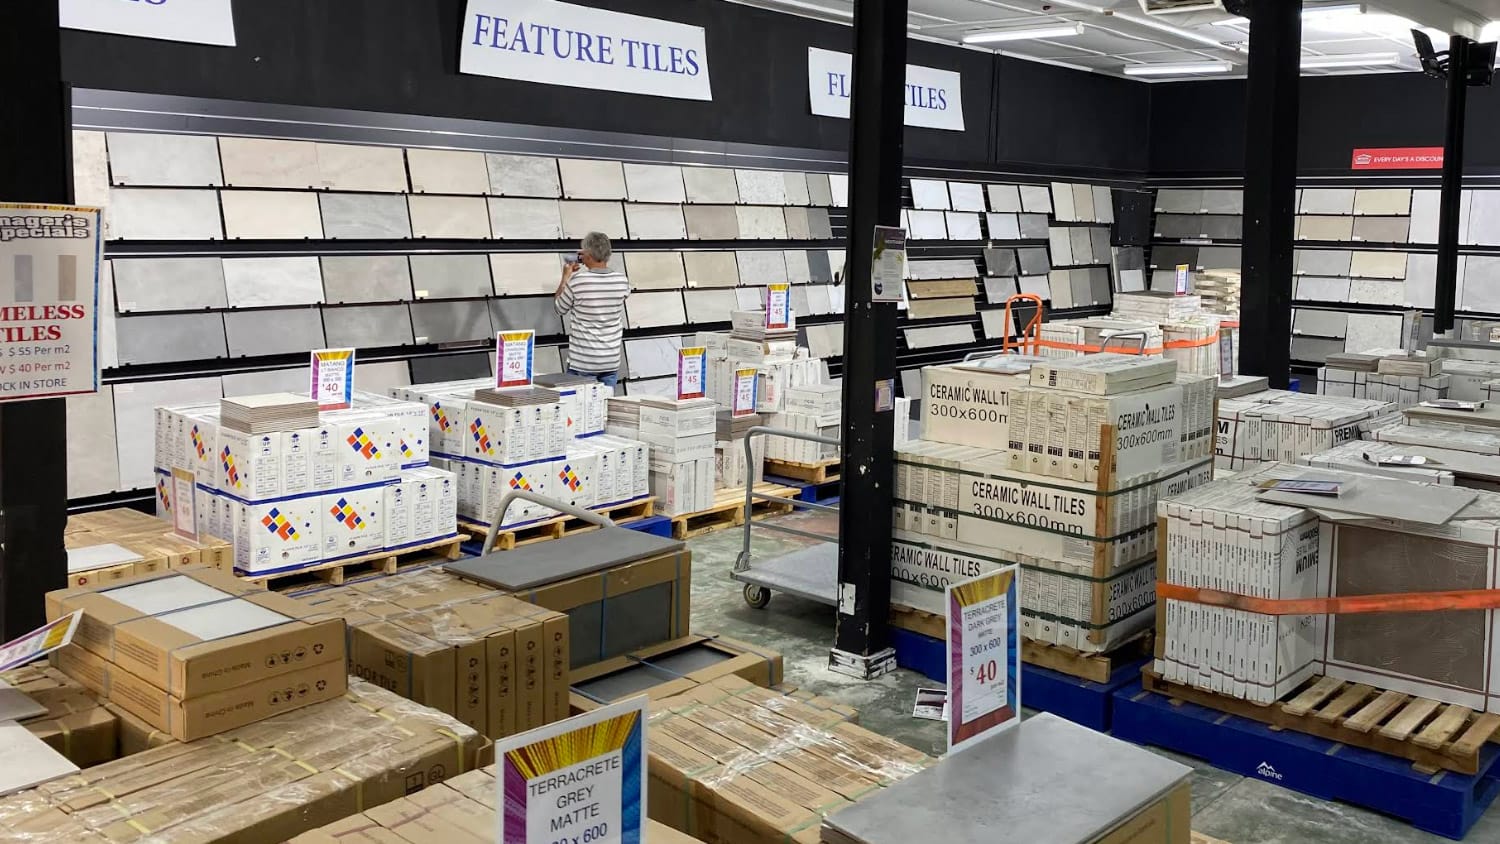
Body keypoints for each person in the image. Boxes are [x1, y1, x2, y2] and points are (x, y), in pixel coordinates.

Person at [554, 232, 630, 388]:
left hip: (584, 363)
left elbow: (559, 307)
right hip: (610, 360)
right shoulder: (622, 281)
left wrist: (566, 277)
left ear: (587, 254)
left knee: (579, 403)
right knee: (605, 402)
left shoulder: (578, 281)